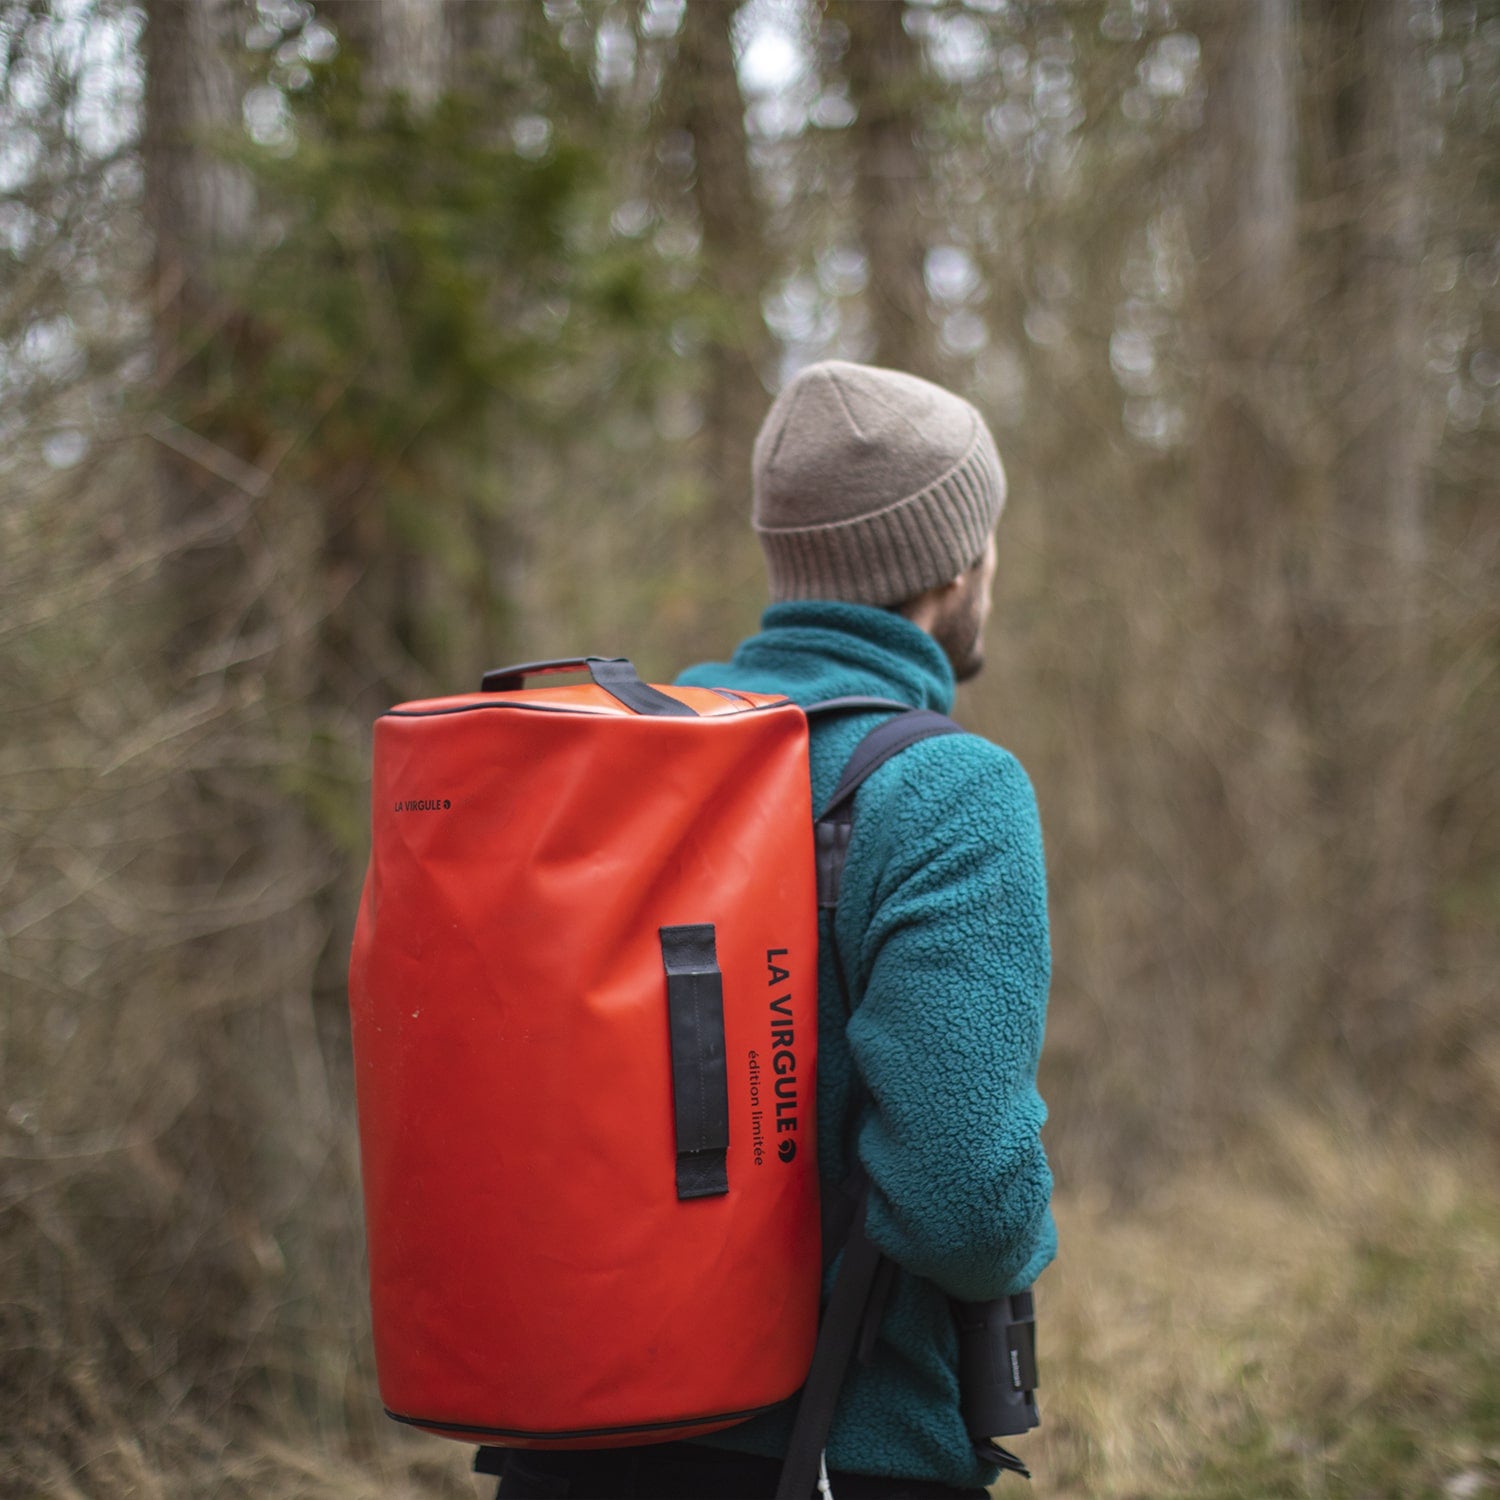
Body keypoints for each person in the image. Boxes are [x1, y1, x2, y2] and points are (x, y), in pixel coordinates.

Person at [485, 361, 1055, 1500]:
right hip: (837, 1457)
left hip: (576, 1442)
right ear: (952, 562)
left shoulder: (629, 762)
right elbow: (965, 1207)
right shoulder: (949, 791)